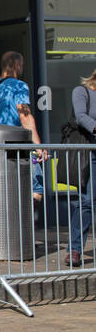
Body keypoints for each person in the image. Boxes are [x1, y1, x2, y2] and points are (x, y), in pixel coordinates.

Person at [0, 51, 45, 203]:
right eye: (22, 65)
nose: (22, 68)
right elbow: (25, 116)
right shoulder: (19, 86)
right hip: (19, 144)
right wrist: (38, 146)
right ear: (17, 65)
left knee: (5, 186)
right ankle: (22, 222)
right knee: (36, 189)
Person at [65, 69, 96, 265]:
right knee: (87, 202)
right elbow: (80, 116)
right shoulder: (82, 91)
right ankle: (75, 249)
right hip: (90, 153)